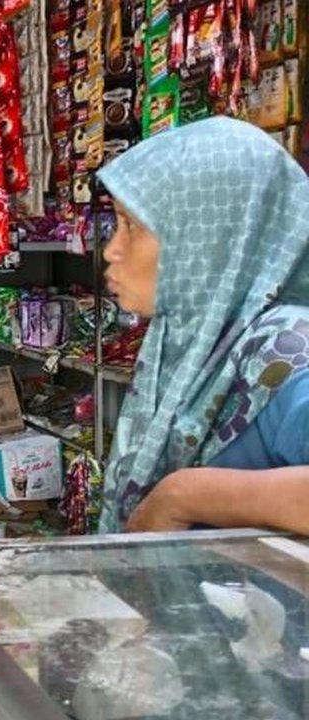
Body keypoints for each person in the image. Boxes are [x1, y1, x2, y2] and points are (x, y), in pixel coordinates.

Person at [94, 116, 309, 534]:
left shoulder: (288, 351)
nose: (112, 251)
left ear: (207, 239)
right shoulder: (193, 340)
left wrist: (184, 496)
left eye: (132, 227)